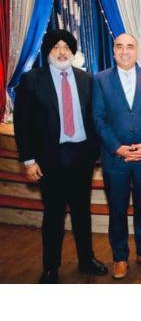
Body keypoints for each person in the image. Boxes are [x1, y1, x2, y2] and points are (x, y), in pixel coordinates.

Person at [14, 29, 107, 283]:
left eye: (66, 47)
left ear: (73, 52)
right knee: (54, 214)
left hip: (82, 156)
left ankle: (87, 260)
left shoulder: (87, 79)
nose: (62, 52)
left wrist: (96, 151)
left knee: (82, 213)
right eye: (56, 47)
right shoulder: (32, 80)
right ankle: (50, 268)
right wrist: (28, 160)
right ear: (48, 51)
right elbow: (22, 123)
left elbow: (95, 118)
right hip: (50, 159)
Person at [92, 33, 141, 279]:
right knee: (117, 209)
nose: (125, 51)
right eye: (120, 47)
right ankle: (120, 257)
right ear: (114, 51)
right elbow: (98, 118)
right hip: (115, 158)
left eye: (130, 46)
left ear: (137, 51)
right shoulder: (100, 80)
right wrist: (117, 147)